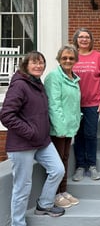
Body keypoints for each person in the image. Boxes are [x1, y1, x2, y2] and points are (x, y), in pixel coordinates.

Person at [0, 51, 66, 225]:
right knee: (22, 187)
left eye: (41, 63)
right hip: (22, 145)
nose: (39, 66)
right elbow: (6, 115)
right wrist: (30, 131)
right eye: (34, 63)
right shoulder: (20, 85)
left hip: (42, 141)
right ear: (26, 65)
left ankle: (44, 205)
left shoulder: (37, 83)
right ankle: (17, 223)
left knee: (58, 169)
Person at [44, 45, 81, 208]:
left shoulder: (74, 78)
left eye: (71, 58)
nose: (68, 60)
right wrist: (60, 128)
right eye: (64, 58)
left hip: (69, 127)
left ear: (76, 61)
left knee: (65, 159)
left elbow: (73, 104)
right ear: (59, 59)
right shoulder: (54, 77)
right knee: (57, 163)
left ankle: (63, 190)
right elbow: (54, 104)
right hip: (58, 129)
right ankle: (55, 194)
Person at [71, 28, 100, 181]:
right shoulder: (72, 57)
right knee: (78, 135)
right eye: (81, 37)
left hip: (93, 104)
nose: (84, 39)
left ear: (91, 40)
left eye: (87, 37)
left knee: (90, 135)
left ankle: (92, 166)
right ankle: (80, 166)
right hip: (74, 105)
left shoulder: (98, 57)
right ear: (76, 39)